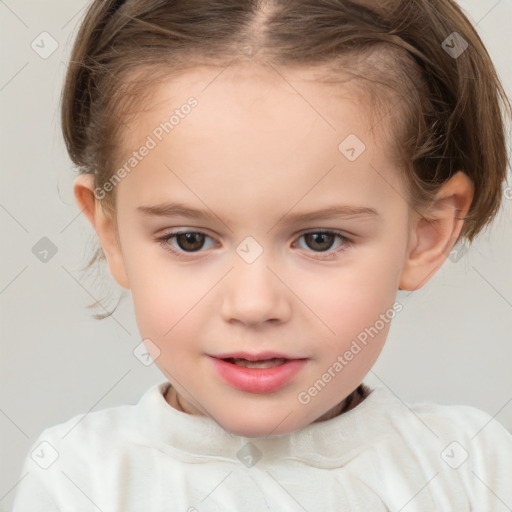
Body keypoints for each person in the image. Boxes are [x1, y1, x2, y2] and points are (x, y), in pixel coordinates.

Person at [12, 0, 512, 510]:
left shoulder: (475, 470)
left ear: (425, 235)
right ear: (111, 233)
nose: (253, 304)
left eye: (320, 240)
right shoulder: (77, 479)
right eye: (190, 239)